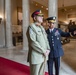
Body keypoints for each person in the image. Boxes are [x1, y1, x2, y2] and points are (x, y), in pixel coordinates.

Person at [27, 10, 50, 75]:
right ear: (34, 18)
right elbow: (33, 42)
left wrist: (48, 49)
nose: (42, 17)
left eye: (42, 16)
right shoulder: (31, 27)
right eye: (39, 16)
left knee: (42, 73)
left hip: (44, 56)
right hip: (36, 57)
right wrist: (43, 51)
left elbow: (46, 39)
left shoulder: (42, 28)